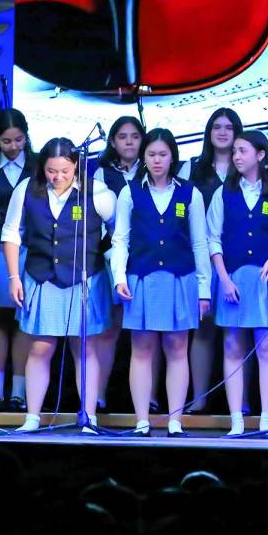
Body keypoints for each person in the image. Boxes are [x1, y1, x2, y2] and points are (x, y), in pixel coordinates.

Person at [2, 138, 116, 434]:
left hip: (83, 279)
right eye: (52, 171)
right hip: (42, 276)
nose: (58, 177)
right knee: (40, 347)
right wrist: (14, 277)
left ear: (75, 165)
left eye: (64, 171)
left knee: (84, 348)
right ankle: (32, 416)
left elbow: (117, 236)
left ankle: (88, 416)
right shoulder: (27, 188)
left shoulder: (98, 192)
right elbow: (12, 233)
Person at [110, 128, 210, 437]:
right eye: (151, 154)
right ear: (143, 157)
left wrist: (204, 290)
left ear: (172, 157)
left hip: (181, 279)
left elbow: (200, 244)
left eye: (163, 155)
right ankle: (142, 418)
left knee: (177, 347)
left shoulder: (190, 193)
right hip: (142, 278)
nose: (156, 160)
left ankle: (175, 419)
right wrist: (119, 277)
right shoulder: (131, 192)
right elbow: (120, 239)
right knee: (142, 348)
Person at [206, 130, 268, 436]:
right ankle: (236, 418)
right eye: (235, 152)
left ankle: (267, 417)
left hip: (266, 279)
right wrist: (224, 279)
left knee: (267, 348)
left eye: (242, 151)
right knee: (232, 347)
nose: (236, 156)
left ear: (260, 155)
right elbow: (213, 239)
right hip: (233, 278)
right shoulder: (223, 193)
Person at [178, 107, 244, 413]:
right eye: (216, 127)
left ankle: (241, 401)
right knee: (202, 329)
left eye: (229, 128)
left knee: (239, 330)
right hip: (200, 260)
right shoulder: (193, 168)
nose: (222, 132)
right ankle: (200, 397)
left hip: (239, 259)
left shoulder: (246, 167)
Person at [0, 108, 34, 411]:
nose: (13, 147)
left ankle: (20, 391)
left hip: (32, 251)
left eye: (18, 140)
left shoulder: (39, 165)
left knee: (25, 322)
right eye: (6, 141)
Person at [92, 116, 145, 413]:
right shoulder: (102, 173)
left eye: (134, 136)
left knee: (148, 330)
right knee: (110, 328)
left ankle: (148, 396)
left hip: (149, 256)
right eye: (122, 136)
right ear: (112, 141)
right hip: (113, 256)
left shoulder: (153, 169)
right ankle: (98, 393)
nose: (128, 142)